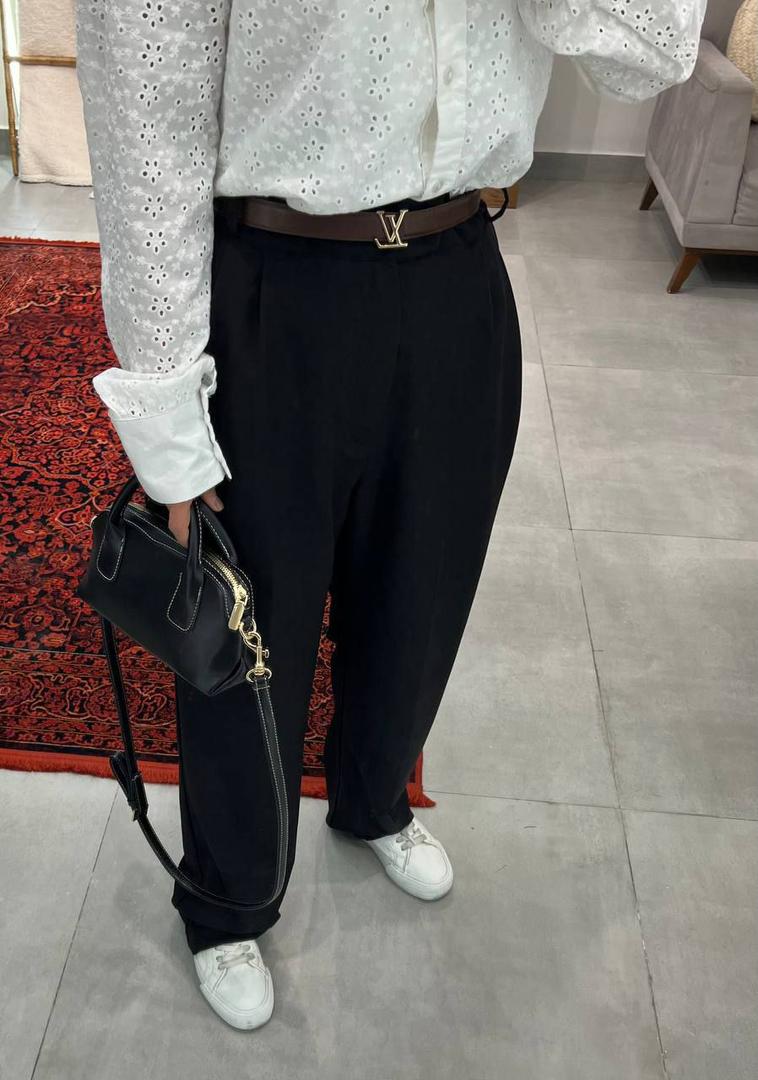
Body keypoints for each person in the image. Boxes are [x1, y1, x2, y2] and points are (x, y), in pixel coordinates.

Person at [75, 0, 706, 1030]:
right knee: (245, 632)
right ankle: (228, 898)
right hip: (273, 285)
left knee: (423, 592)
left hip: (459, 270)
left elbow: (652, 51)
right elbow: (146, 109)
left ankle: (373, 797)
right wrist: (163, 410)